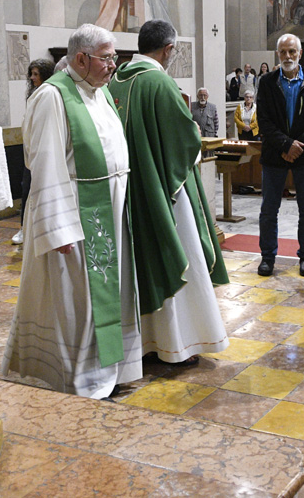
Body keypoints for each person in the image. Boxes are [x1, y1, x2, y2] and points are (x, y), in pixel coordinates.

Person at [3, 24, 143, 398]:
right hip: (78, 215)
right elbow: (45, 163)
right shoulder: (53, 96)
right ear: (81, 58)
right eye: (107, 58)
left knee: (110, 294)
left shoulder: (98, 91)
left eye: (114, 57)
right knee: (77, 303)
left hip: (109, 210)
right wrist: (57, 227)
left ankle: (111, 370)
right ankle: (82, 378)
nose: (113, 65)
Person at [109, 19, 230, 365]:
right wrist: (191, 129)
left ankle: (143, 343)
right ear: (168, 49)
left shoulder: (115, 81)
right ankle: (179, 343)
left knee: (138, 264)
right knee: (179, 258)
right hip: (165, 193)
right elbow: (185, 140)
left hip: (127, 191)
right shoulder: (159, 82)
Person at [256, 34, 304, 277]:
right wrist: (286, 145)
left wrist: (297, 146)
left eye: (292, 52)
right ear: (277, 54)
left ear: (300, 54)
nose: (288, 56)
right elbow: (263, 122)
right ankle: (267, 257)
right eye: (283, 52)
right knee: (269, 209)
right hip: (275, 154)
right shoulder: (266, 82)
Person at [13, 58, 58, 245]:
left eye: (36, 74)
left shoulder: (50, 93)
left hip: (44, 149)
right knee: (26, 188)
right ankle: (24, 228)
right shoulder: (33, 93)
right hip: (30, 149)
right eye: (31, 74)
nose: (32, 78)